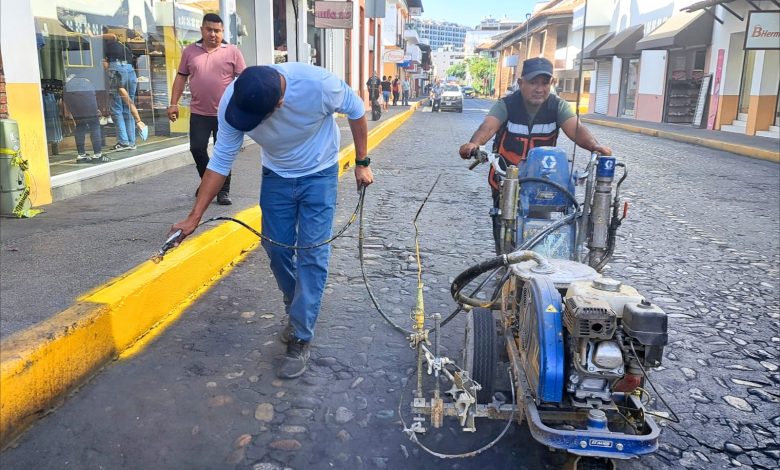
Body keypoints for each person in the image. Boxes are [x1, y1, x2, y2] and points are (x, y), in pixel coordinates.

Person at [169, 63, 373, 379]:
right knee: (275, 249)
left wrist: (361, 162)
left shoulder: (318, 85)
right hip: (276, 175)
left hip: (319, 173)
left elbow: (357, 111)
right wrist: (193, 217)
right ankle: (297, 304)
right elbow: (221, 160)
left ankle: (301, 335)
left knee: (312, 253)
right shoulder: (233, 101)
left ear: (279, 103)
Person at [458, 57, 612, 253]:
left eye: (545, 83)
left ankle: (540, 261)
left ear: (552, 84)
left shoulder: (558, 106)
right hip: (507, 179)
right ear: (521, 83)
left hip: (542, 180)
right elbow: (488, 127)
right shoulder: (506, 105)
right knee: (504, 223)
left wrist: (594, 146)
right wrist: (474, 144)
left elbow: (575, 128)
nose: (539, 89)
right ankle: (503, 263)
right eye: (533, 82)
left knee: (542, 226)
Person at [168, 13, 246, 206]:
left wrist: (244, 106)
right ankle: (209, 184)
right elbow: (180, 77)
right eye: (209, 30)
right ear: (202, 30)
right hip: (199, 113)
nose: (213, 34)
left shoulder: (232, 51)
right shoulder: (190, 52)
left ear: (222, 32)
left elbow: (244, 79)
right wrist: (173, 103)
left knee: (223, 153)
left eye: (217, 31)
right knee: (197, 149)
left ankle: (223, 191)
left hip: (225, 115)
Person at [101, 27, 149, 153]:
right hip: (130, 70)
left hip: (117, 70)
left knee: (117, 109)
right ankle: (131, 142)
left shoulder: (103, 43)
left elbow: (105, 64)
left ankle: (123, 142)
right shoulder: (121, 45)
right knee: (128, 106)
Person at [63, 74, 103, 163]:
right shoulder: (85, 81)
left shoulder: (68, 84)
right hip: (89, 106)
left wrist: (72, 113)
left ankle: (81, 154)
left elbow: (66, 100)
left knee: (80, 126)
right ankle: (97, 154)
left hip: (76, 108)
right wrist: (97, 108)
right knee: (95, 126)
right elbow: (93, 96)